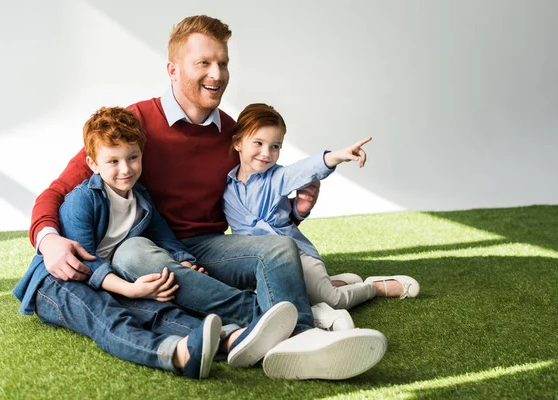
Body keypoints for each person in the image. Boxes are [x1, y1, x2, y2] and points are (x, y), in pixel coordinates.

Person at [27, 15, 388, 380]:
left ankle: (300, 337)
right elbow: (59, 191)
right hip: (143, 250)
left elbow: (259, 197)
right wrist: (49, 240)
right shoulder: (132, 124)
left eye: (223, 63)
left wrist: (296, 211)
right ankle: (282, 324)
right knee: (132, 252)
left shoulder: (234, 135)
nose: (217, 74)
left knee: (279, 247)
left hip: (203, 248)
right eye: (204, 63)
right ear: (172, 69)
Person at [14, 106, 303, 379]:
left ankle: (232, 338)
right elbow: (87, 265)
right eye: (113, 161)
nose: (125, 169)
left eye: (132, 158)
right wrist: (130, 288)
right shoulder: (83, 199)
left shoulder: (140, 197)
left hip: (111, 278)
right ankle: (177, 353)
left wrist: (184, 261)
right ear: (92, 163)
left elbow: (163, 235)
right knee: (108, 316)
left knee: (159, 311)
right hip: (61, 282)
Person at [223, 104, 420, 329]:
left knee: (332, 300)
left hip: (296, 255)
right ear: (238, 142)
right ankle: (334, 283)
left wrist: (337, 156)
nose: (266, 153)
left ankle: (374, 287)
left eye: (275, 146)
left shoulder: (277, 177)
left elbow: (305, 169)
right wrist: (297, 209)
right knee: (267, 303)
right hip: (260, 263)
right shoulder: (228, 187)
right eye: (258, 143)